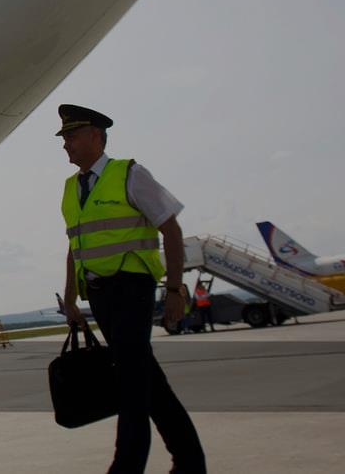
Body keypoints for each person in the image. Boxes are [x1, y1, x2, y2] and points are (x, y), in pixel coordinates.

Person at [57, 104, 206, 474]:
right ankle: (190, 462)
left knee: (131, 381)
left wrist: (175, 290)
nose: (65, 144)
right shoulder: (71, 188)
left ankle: (126, 466)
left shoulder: (130, 174)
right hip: (100, 296)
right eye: (64, 138)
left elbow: (171, 229)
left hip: (131, 288)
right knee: (147, 378)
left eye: (71, 136)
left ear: (95, 135)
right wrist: (71, 297)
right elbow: (75, 245)